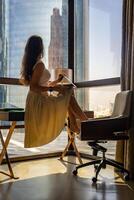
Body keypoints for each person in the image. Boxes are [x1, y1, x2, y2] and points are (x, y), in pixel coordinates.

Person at [20, 35, 88, 148]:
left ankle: (77, 124)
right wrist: (54, 88)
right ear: (39, 48)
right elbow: (33, 87)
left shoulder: (34, 64)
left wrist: (57, 81)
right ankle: (85, 122)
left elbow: (43, 84)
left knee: (67, 94)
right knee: (68, 94)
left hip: (37, 99)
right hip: (39, 102)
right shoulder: (39, 64)